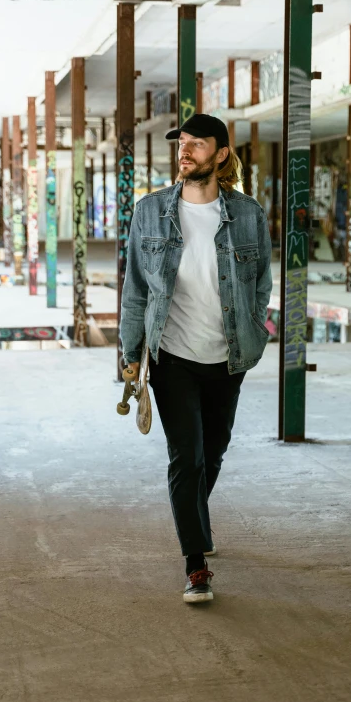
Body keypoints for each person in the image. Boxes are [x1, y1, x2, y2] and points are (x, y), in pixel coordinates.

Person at [120, 113, 273, 604]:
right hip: (172, 354)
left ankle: (193, 519)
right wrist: (129, 354)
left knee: (215, 450)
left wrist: (256, 326)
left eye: (197, 144)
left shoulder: (248, 215)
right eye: (181, 143)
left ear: (221, 154)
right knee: (186, 456)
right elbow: (136, 291)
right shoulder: (149, 213)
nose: (185, 151)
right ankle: (195, 563)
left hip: (228, 355)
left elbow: (263, 285)